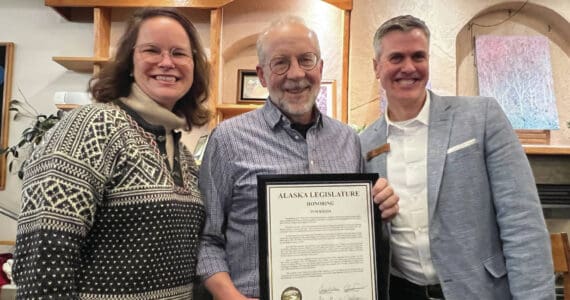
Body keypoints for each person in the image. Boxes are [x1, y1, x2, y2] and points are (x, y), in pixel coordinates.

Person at [12, 8, 210, 299]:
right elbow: (43, 255)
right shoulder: (92, 125)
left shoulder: (181, 150)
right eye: (152, 50)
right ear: (129, 61)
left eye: (180, 53)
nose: (167, 62)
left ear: (194, 66)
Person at [196, 16, 399, 300]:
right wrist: (229, 296)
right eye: (280, 62)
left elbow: (357, 232)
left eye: (306, 59)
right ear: (262, 75)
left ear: (320, 68)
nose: (296, 74)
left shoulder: (348, 140)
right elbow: (207, 239)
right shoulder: (228, 140)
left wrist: (379, 207)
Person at [360, 14, 555, 300]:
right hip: (402, 292)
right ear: (377, 67)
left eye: (418, 56)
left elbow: (522, 220)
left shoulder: (482, 117)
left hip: (480, 291)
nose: (409, 67)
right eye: (396, 58)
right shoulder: (364, 143)